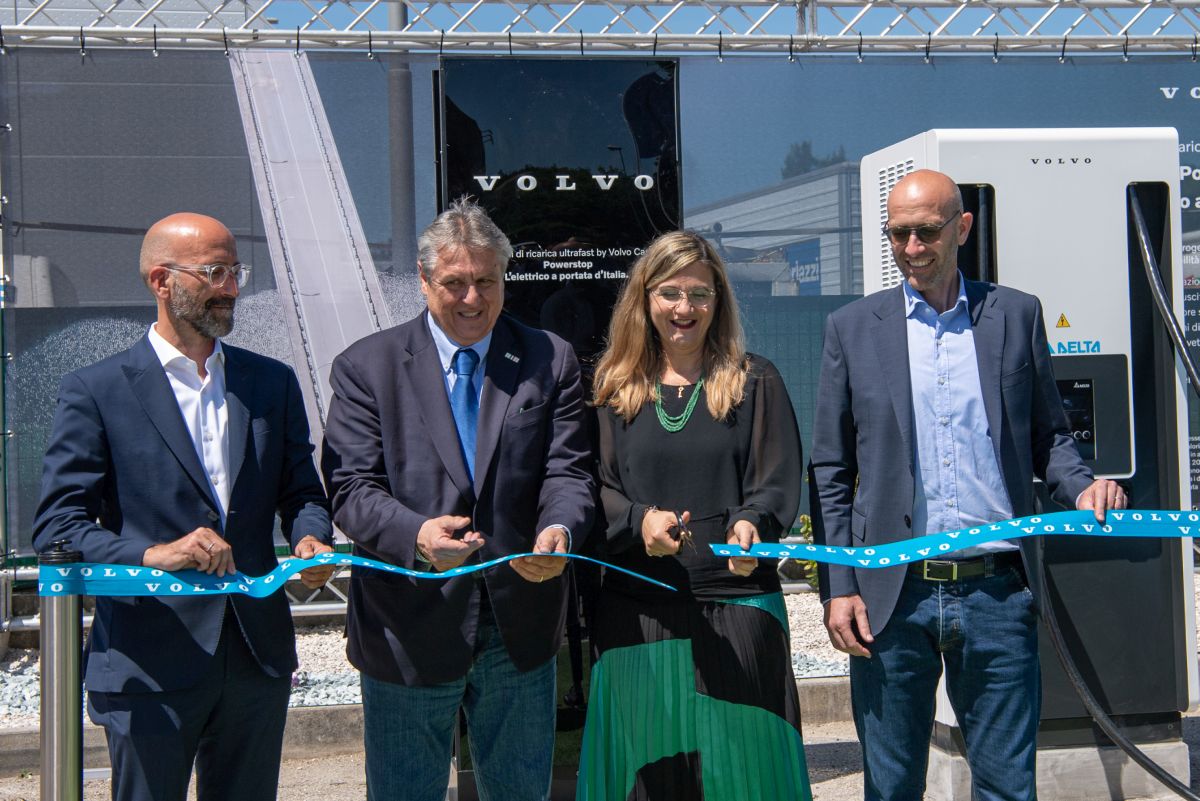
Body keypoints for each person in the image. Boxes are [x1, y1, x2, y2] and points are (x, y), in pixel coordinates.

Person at [808, 169, 1127, 801]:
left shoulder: (1015, 314)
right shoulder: (852, 327)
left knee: (1008, 787)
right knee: (892, 786)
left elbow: (1050, 439)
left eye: (926, 231)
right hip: (890, 599)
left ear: (962, 227)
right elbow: (830, 469)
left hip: (999, 594)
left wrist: (1084, 487)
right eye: (898, 234)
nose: (912, 248)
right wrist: (838, 587)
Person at [33, 212, 334, 801]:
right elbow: (58, 527)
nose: (231, 288)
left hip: (255, 658)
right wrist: (153, 553)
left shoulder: (271, 382)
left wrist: (309, 539)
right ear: (161, 280)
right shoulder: (96, 390)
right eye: (214, 272)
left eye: (235, 271)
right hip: (149, 659)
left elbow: (301, 494)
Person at [320, 198, 595, 801]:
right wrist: (416, 536)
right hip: (406, 623)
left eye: (486, 282)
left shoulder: (551, 359)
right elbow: (350, 488)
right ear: (422, 281)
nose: (472, 299)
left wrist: (560, 531)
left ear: (504, 278)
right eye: (454, 283)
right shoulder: (367, 367)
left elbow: (568, 473)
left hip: (519, 624)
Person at [578, 230, 812, 801]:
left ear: (719, 300)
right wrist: (639, 521)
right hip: (637, 612)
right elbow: (591, 488)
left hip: (740, 608)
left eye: (700, 294)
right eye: (670, 293)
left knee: (746, 779)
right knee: (648, 781)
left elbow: (777, 481)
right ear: (645, 298)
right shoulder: (612, 387)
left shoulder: (756, 379)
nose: (685, 309)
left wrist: (752, 522)